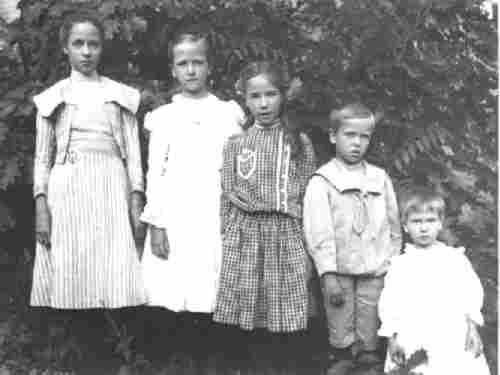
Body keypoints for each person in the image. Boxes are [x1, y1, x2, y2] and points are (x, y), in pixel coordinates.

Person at [31, 10, 146, 371]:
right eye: (78, 44)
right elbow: (41, 158)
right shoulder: (53, 98)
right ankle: (80, 358)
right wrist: (41, 206)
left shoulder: (119, 96)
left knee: (111, 270)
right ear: (65, 49)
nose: (86, 51)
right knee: (73, 269)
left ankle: (116, 357)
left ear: (102, 48)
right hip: (68, 189)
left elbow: (133, 154)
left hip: (110, 186)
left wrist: (136, 197)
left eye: (92, 44)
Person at [139, 25, 244, 363]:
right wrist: (157, 223)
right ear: (173, 69)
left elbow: (239, 167)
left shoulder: (227, 113)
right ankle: (178, 362)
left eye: (198, 62)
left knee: (211, 287)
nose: (191, 70)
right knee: (176, 288)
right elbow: (155, 172)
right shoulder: (164, 117)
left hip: (215, 211)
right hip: (177, 212)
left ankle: (213, 361)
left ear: (209, 66)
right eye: (183, 64)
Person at [213, 60, 317, 370]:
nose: (263, 103)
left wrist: (305, 242)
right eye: (255, 96)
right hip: (247, 235)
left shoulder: (298, 142)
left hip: (285, 234)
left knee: (284, 312)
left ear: (282, 96)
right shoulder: (237, 143)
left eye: (270, 95)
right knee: (249, 312)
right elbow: (227, 193)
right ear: (245, 100)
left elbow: (308, 194)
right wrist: (230, 234)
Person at [303, 103, 402, 374]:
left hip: (375, 269)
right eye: (350, 135)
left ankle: (368, 362)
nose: (357, 143)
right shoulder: (323, 181)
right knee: (341, 327)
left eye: (364, 136)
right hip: (340, 271)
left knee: (370, 327)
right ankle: (342, 359)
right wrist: (328, 274)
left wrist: (392, 263)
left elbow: (394, 225)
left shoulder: (379, 178)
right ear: (334, 136)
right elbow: (318, 232)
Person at [378, 186, 491, 375]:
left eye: (430, 220)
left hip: (451, 334)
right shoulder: (400, 265)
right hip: (413, 333)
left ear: (440, 223)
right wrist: (392, 338)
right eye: (416, 221)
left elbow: (470, 293)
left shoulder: (454, 259)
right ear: (405, 226)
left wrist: (472, 328)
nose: (424, 228)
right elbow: (390, 302)